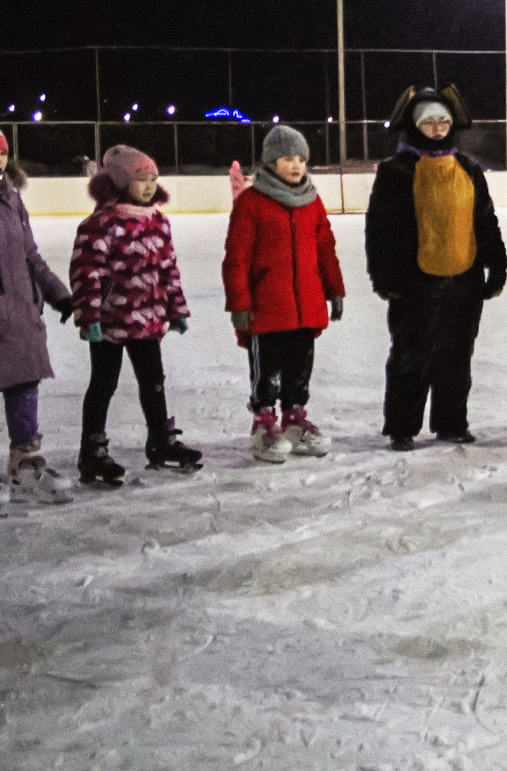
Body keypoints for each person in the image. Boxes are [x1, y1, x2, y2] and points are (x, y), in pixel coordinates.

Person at [365, 86, 507, 451]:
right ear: (414, 125)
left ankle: (451, 423)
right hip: (415, 281)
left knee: (456, 356)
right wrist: (383, 275)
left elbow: (486, 221)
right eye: (428, 121)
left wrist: (498, 265)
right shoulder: (396, 170)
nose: (437, 127)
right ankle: (402, 427)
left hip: (464, 279)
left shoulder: (469, 168)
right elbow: (380, 228)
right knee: (410, 355)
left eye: (443, 120)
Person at [68, 146, 198, 483]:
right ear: (121, 181)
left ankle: (160, 442)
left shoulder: (157, 222)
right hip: (110, 322)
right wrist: (89, 317)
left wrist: (176, 309)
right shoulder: (101, 224)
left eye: (153, 179)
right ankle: (92, 452)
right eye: (141, 180)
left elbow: (169, 269)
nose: (149, 186)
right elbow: (87, 274)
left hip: (147, 320)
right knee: (103, 384)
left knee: (153, 383)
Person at [223, 125, 346, 462]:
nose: (295, 165)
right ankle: (264, 423)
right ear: (270, 162)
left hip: (306, 305)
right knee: (268, 373)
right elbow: (237, 257)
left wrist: (334, 289)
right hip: (266, 308)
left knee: (299, 369)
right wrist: (239, 304)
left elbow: (325, 249)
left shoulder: (312, 200)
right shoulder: (252, 202)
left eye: (301, 159)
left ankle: (295, 418)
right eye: (287, 159)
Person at [0, 130, 76, 506]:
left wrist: (57, 293)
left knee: (24, 385)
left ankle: (24, 462)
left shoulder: (12, 200)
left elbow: (31, 257)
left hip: (19, 314)